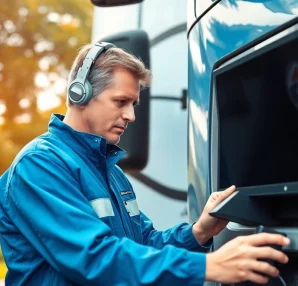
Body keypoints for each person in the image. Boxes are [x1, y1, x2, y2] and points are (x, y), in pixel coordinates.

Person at [0, 42, 290, 286]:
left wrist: (199, 232)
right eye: (121, 102)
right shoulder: (39, 165)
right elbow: (95, 258)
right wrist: (207, 266)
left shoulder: (111, 172)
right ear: (81, 94)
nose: (131, 116)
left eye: (134, 105)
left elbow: (142, 245)